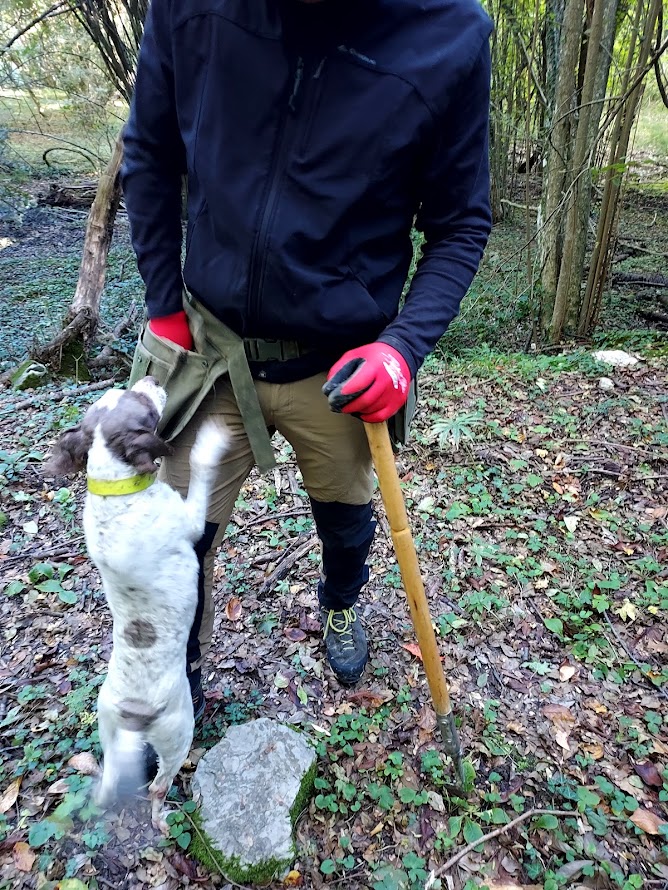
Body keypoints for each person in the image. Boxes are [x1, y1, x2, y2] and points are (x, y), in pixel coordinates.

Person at [121, 0, 493, 710]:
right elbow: (150, 149)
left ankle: (341, 600)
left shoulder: (451, 33)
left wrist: (402, 350)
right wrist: (166, 305)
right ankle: (177, 671)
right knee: (171, 544)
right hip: (207, 342)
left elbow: (461, 220)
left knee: (347, 512)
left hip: (341, 359)